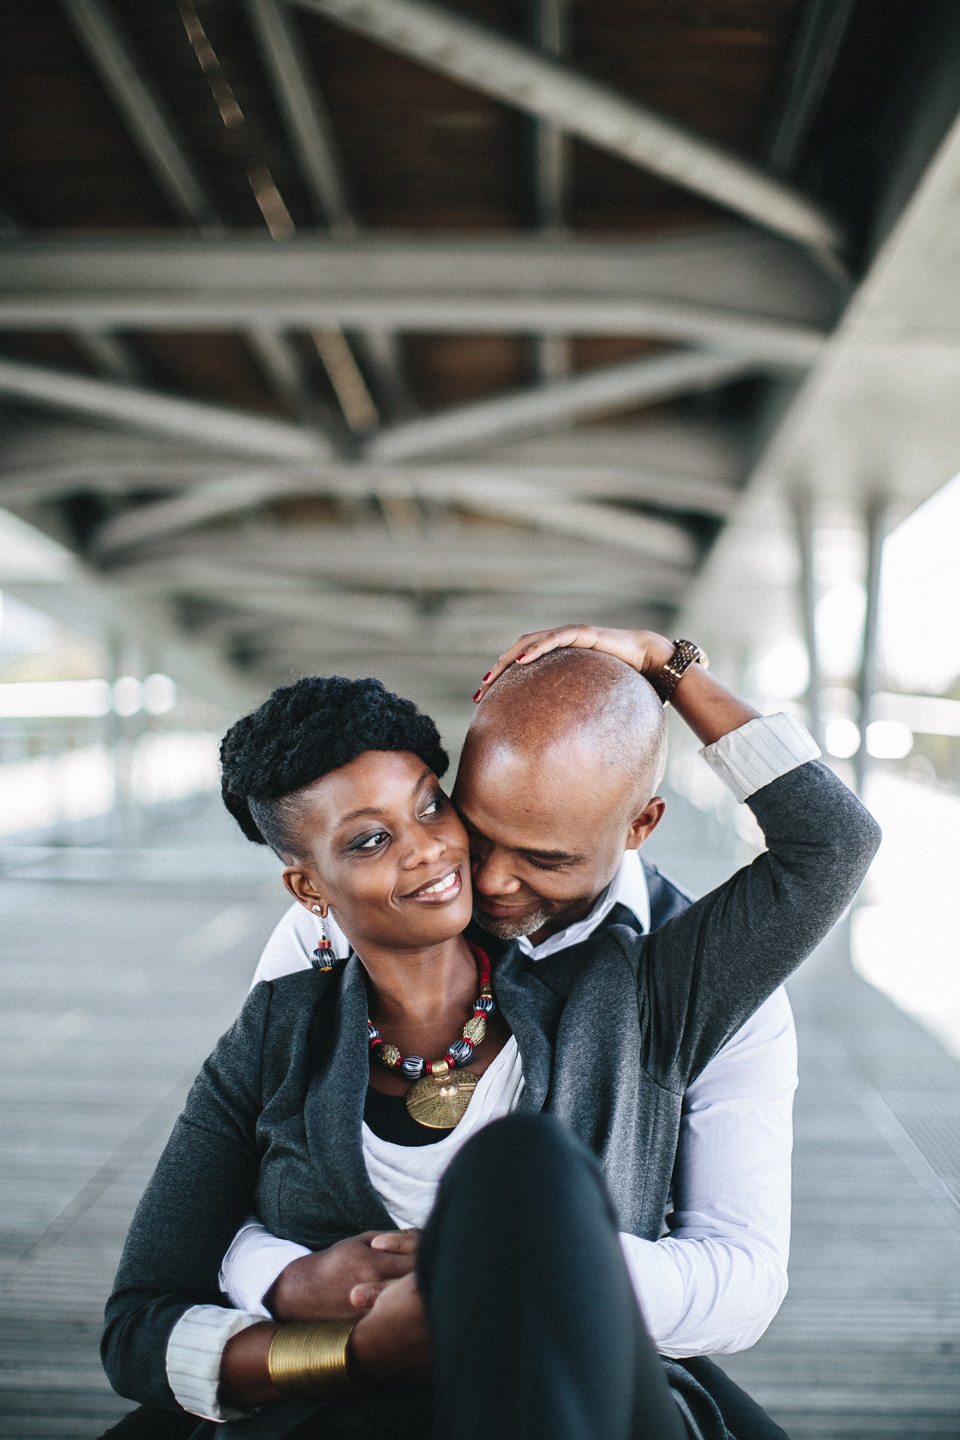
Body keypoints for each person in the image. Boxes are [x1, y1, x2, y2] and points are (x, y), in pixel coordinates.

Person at [101, 633, 880, 1440]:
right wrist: (331, 1326)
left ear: (642, 825)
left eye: (429, 809)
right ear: (309, 890)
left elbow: (833, 842)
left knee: (525, 1168)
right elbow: (147, 1314)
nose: (457, 862)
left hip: (569, 1390)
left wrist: (669, 666)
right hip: (340, 1407)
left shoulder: (661, 986)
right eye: (376, 839)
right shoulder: (288, 1011)